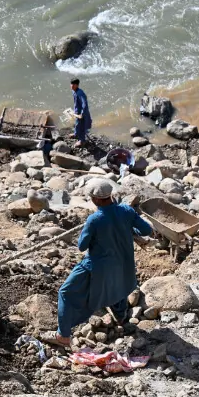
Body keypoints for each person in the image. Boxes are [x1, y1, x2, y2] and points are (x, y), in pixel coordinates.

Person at [40, 178, 153, 347]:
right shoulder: (126, 211)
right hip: (123, 263)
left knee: (65, 292)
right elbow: (146, 230)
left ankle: (62, 336)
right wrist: (128, 230)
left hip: (97, 265)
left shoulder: (94, 219)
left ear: (96, 199)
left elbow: (81, 246)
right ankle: (122, 318)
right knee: (118, 286)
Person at [70, 78, 92, 148]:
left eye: (73, 85)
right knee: (77, 124)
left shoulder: (80, 93)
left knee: (82, 126)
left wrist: (82, 114)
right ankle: (76, 134)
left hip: (82, 113)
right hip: (77, 112)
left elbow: (84, 104)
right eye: (71, 84)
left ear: (77, 85)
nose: (71, 86)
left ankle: (82, 141)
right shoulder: (74, 91)